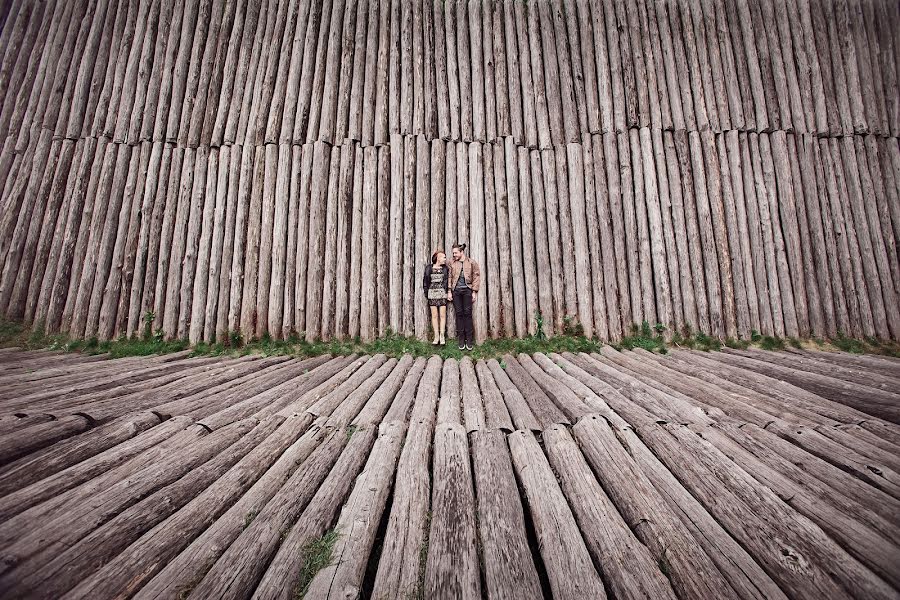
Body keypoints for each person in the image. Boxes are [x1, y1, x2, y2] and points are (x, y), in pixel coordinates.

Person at [448, 243, 480, 350]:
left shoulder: (471, 262)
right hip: (456, 291)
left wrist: (474, 291)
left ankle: (469, 339)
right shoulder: (452, 263)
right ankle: (461, 339)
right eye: (453, 253)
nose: (454, 255)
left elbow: (476, 276)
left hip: (467, 291)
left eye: (455, 253)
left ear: (462, 252)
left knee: (467, 314)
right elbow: (449, 277)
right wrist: (449, 291)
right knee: (459, 314)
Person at [423, 249, 450, 345]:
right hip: (432, 293)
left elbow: (447, 281)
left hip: (442, 293)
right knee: (434, 316)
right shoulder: (429, 268)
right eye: (444, 257)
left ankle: (442, 335)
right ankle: (436, 336)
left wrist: (448, 292)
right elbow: (425, 281)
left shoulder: (445, 268)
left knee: (442, 315)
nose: (445, 259)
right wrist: (427, 294)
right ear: (438, 258)